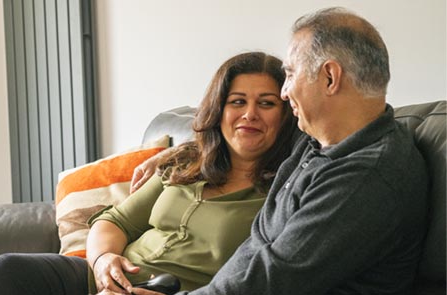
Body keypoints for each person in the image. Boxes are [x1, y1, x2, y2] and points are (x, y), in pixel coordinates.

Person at [131, 7, 429, 295]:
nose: (285, 92)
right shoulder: (320, 139)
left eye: (290, 74)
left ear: (329, 77)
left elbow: (274, 278)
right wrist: (175, 152)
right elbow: (240, 132)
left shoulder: (367, 177)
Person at [0, 51, 297, 295]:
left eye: (266, 103)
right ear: (218, 110)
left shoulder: (280, 194)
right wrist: (105, 260)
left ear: (284, 116)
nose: (249, 114)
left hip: (164, 291)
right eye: (237, 102)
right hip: (98, 278)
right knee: (9, 268)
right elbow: (115, 221)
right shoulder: (186, 166)